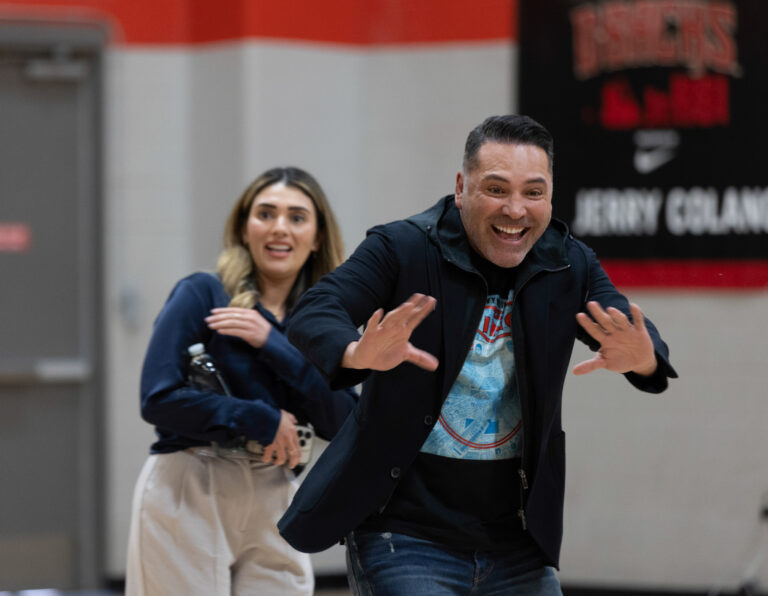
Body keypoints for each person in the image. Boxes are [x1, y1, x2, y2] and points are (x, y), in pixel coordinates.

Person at [277, 115, 678, 595]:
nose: (516, 210)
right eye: (496, 189)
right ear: (462, 187)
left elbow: (631, 327)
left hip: (517, 539)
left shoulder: (567, 262)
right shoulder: (403, 247)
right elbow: (316, 309)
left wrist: (644, 356)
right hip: (403, 534)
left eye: (534, 192)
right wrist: (353, 351)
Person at [125, 166, 357, 596]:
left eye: (296, 217)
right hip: (190, 483)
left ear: (317, 237)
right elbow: (157, 399)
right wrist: (259, 418)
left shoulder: (323, 327)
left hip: (276, 493)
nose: (279, 228)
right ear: (244, 227)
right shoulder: (203, 294)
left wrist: (274, 343)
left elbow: (347, 422)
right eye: (265, 214)